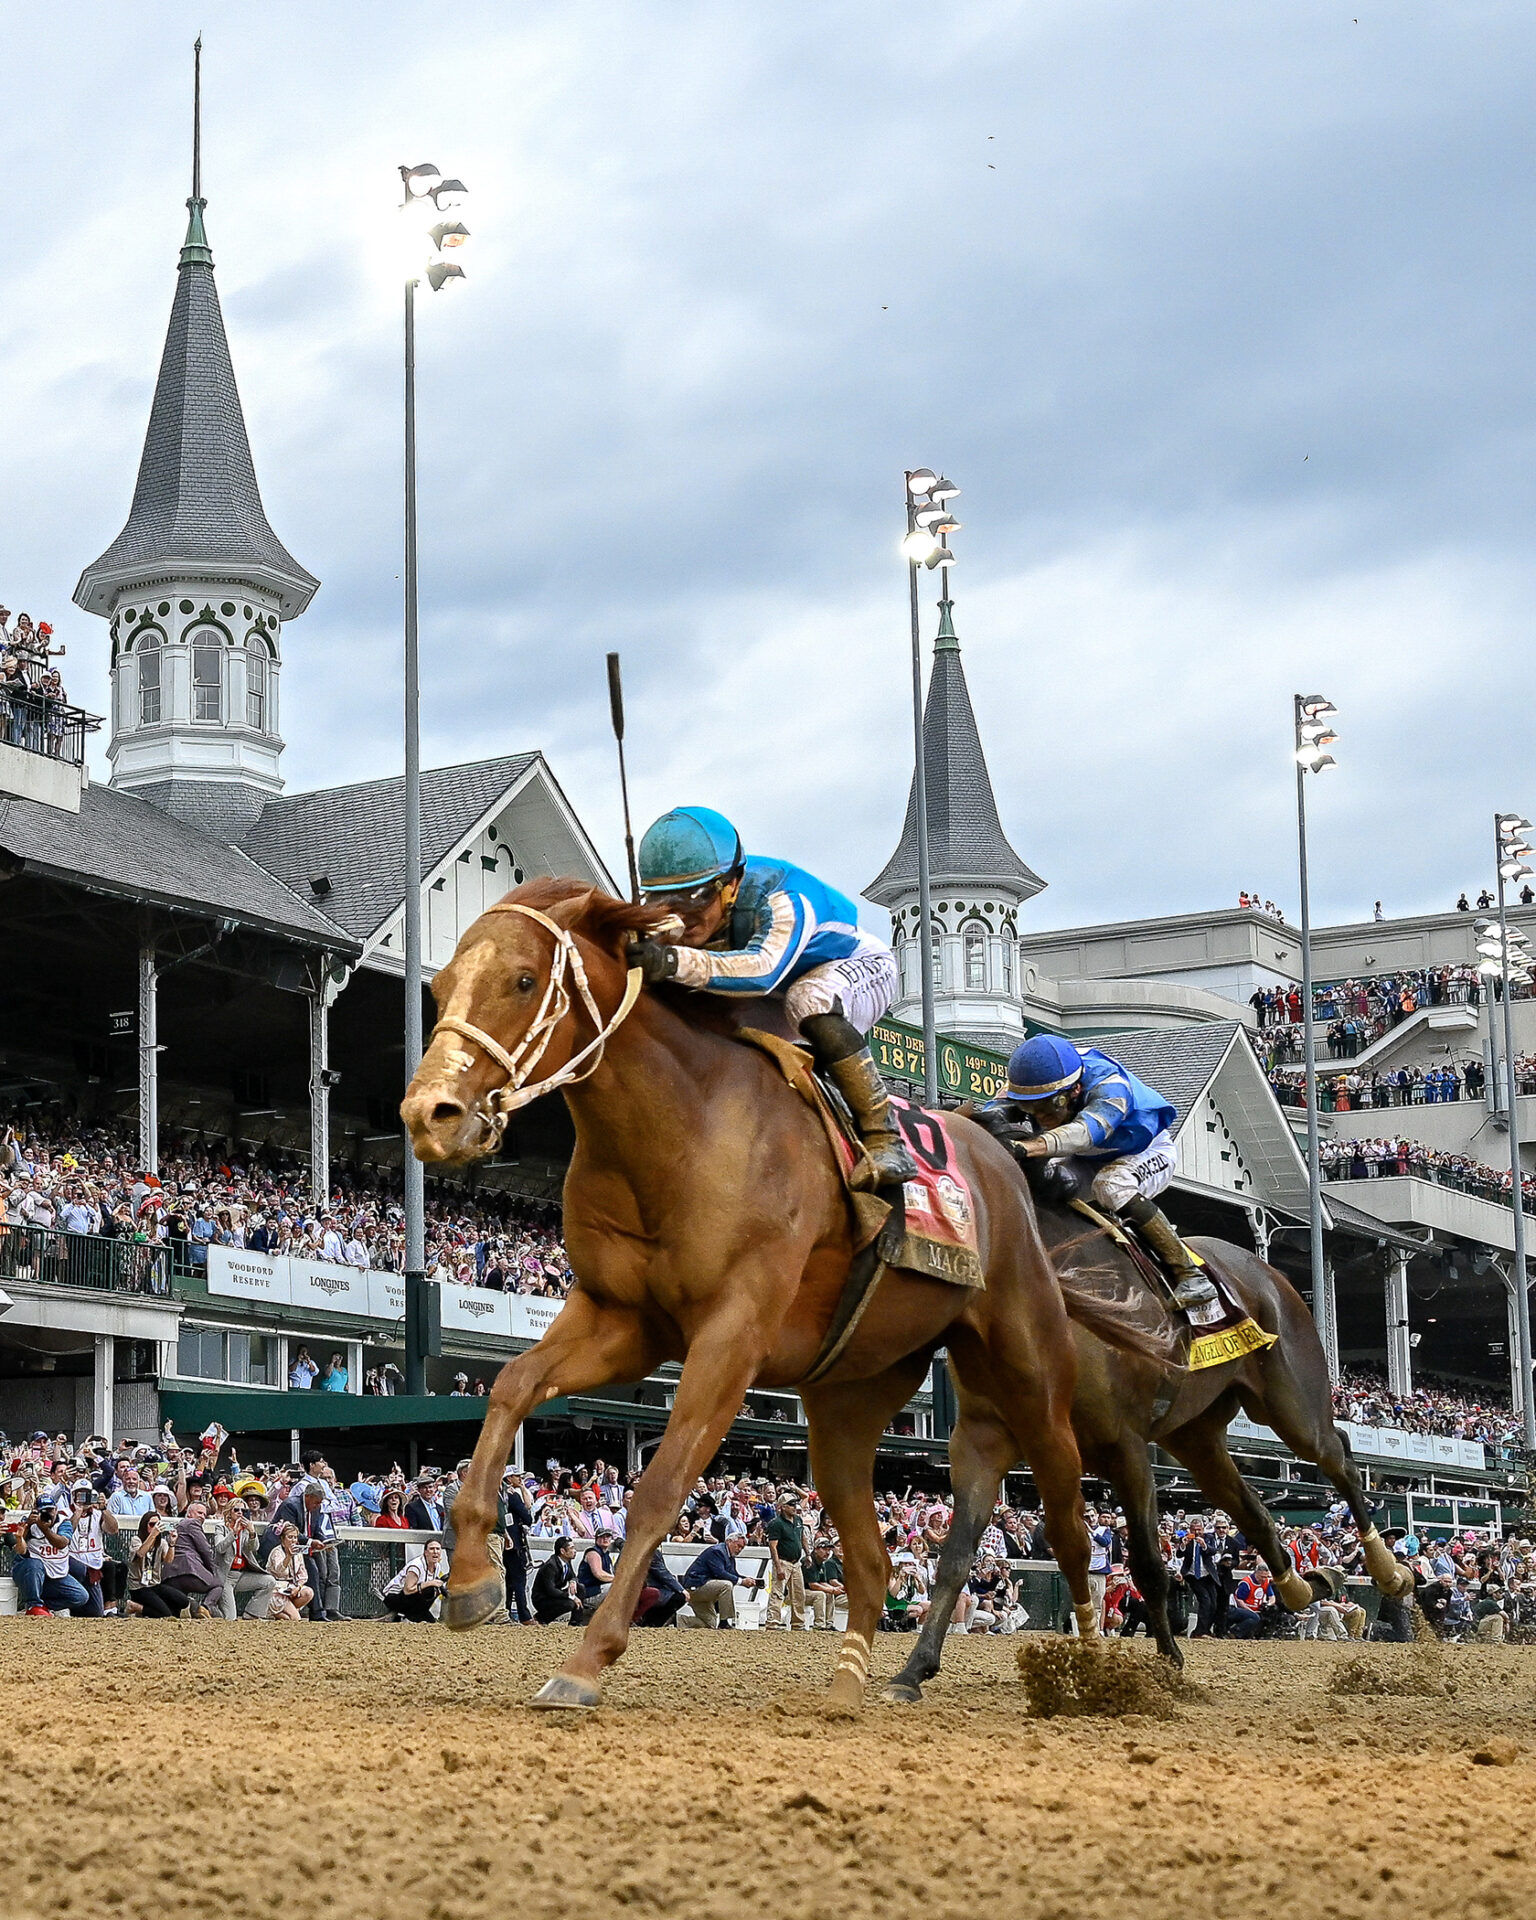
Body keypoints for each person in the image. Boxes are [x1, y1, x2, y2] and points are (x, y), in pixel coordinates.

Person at [625, 806, 916, 1184]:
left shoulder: (782, 896)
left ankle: (885, 1138)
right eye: (664, 900)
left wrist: (670, 959)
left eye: (695, 897)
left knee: (808, 1000)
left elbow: (763, 971)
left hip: (854, 968)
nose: (682, 916)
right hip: (775, 994)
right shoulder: (688, 909)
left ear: (731, 884)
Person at [981, 1033, 1218, 1311]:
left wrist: (1025, 1148)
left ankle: (1190, 1274)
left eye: (1049, 1106)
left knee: (1111, 1184)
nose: (1040, 1117)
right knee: (1043, 1185)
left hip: (1145, 1151)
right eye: (1029, 1108)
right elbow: (990, 1117)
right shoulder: (1029, 1084)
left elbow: (1085, 1134)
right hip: (1084, 1158)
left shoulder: (1110, 1084)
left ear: (1075, 1091)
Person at [11, 1494, 92, 1616]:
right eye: (43, 1511)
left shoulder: (64, 1523)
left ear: (56, 1509)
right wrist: (27, 1526)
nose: (48, 1514)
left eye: (50, 1510)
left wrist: (45, 1529)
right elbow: (19, 1549)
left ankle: (45, 1607)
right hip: (30, 1571)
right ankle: (33, 1605)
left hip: (55, 1575)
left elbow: (61, 1543)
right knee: (34, 1563)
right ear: (36, 1511)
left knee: (81, 1596)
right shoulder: (28, 1522)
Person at [682, 1533, 762, 1628]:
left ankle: (679, 1620)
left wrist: (748, 1580)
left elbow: (733, 1575)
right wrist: (741, 1581)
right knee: (726, 1585)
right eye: (738, 1546)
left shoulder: (728, 1556)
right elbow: (720, 1573)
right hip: (696, 1587)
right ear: (729, 1541)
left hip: (700, 1588)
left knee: (710, 1624)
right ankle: (724, 1622)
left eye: (742, 1548)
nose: (739, 1550)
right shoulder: (717, 1551)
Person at [763, 1492, 809, 1629]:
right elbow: (773, 1546)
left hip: (796, 1562)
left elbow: (803, 1538)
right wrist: (778, 1566)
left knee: (799, 1594)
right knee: (777, 1593)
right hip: (783, 1561)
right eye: (791, 1504)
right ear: (783, 1507)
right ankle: (773, 1622)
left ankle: (798, 1623)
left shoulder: (798, 1520)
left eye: (795, 1504)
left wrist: (808, 1554)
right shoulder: (776, 1524)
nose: (794, 1507)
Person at [383, 1541, 449, 1622]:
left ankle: (403, 1616)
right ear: (425, 1552)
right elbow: (407, 1590)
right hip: (393, 1596)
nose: (435, 1552)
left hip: (410, 1598)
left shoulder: (437, 1566)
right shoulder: (416, 1566)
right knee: (430, 1590)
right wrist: (430, 1583)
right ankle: (406, 1616)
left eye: (438, 1549)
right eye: (432, 1549)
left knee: (430, 1620)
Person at [531, 1537, 581, 1624]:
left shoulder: (567, 1561)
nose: (575, 1551)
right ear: (562, 1551)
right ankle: (541, 1618)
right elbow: (551, 1590)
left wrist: (573, 1581)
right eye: (571, 1548)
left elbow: (573, 1576)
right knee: (569, 1604)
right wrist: (572, 1597)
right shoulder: (551, 1566)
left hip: (554, 1595)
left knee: (580, 1588)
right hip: (543, 1598)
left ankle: (575, 1621)